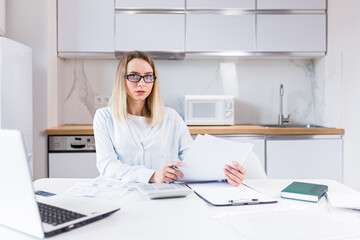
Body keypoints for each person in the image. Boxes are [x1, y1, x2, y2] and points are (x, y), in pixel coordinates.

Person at [93, 51, 246, 186]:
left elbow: (193, 162)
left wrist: (225, 175)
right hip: (120, 196)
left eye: (148, 77)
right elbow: (107, 165)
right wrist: (153, 176)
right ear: (122, 79)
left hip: (164, 196)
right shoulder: (104, 117)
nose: (141, 83)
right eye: (133, 76)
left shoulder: (172, 118)